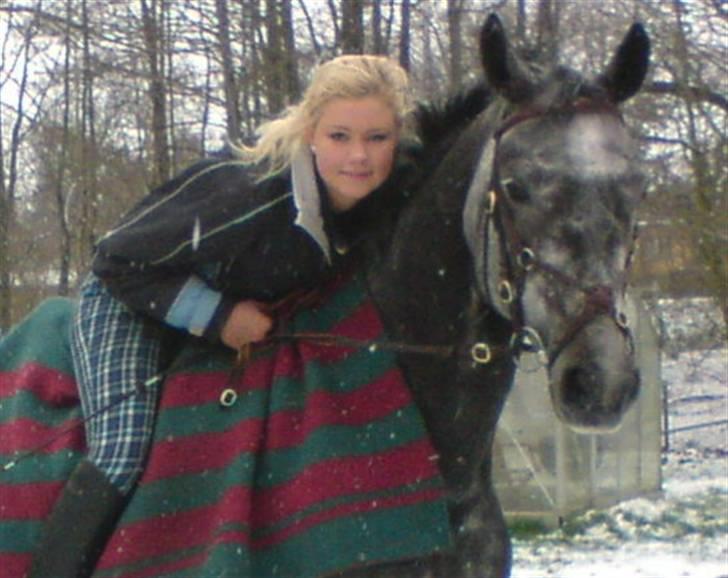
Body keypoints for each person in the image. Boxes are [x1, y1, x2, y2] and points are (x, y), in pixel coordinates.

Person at [29, 54, 417, 578]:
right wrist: (218, 315)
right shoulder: (250, 193)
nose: (359, 156)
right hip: (131, 299)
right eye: (340, 136)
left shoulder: (383, 195)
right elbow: (117, 260)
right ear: (310, 132)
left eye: (377, 138)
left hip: (235, 316)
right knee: (122, 448)